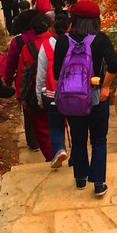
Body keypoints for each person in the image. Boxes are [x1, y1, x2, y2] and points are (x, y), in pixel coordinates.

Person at [50, 1, 117, 195]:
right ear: (97, 20)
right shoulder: (101, 39)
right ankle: (98, 184)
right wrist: (105, 86)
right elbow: (113, 63)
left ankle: (80, 178)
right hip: (96, 98)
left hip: (72, 99)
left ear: (74, 19)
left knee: (79, 139)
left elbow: (56, 72)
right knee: (98, 140)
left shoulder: (63, 41)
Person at [14, 13, 54, 161]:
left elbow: (23, 73)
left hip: (37, 93)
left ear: (33, 31)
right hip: (58, 90)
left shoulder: (27, 48)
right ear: (49, 28)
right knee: (57, 121)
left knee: (41, 127)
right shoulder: (58, 42)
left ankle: (51, 156)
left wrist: (21, 95)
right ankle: (60, 148)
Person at [36, 10, 71, 168]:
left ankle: (59, 149)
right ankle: (77, 153)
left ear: (53, 28)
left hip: (52, 91)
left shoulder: (47, 45)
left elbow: (41, 73)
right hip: (74, 92)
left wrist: (39, 96)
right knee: (76, 123)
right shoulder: (75, 42)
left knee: (55, 124)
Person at [4, 9, 39, 151]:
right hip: (46, 78)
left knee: (29, 111)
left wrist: (7, 81)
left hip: (25, 80)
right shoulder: (47, 37)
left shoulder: (17, 41)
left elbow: (10, 63)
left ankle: (34, 143)